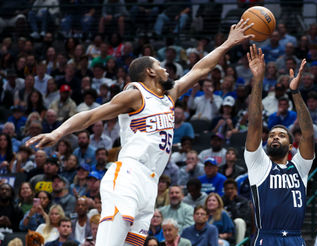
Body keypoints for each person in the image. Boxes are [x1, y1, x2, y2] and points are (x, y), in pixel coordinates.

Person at [26, 19, 253, 246]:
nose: (165, 69)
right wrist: (57, 133)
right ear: (149, 71)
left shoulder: (168, 97)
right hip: (128, 176)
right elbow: (90, 116)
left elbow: (201, 68)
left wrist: (227, 44)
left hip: (150, 184)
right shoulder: (136, 94)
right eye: (160, 65)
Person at [244, 45, 313, 245]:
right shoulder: (258, 163)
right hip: (267, 236)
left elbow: (308, 133)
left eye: (282, 135)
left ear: (291, 145)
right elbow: (255, 124)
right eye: (272, 134)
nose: (275, 137)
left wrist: (296, 92)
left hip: (295, 237)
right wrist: (258, 79)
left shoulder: (300, 167)